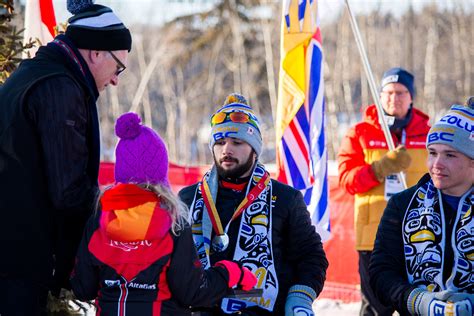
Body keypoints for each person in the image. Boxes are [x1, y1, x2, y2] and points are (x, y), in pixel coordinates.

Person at [0, 1, 132, 315]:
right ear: (96, 53)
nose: (116, 80)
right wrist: (117, 214)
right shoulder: (61, 88)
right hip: (18, 262)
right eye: (119, 67)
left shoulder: (35, 73)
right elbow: (68, 191)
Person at [70, 112, 257, 315]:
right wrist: (229, 272)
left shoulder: (99, 221)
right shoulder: (172, 223)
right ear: (159, 170)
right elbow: (192, 292)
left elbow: (83, 289)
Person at [179, 93, 328, 315]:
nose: (226, 150)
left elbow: (311, 256)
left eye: (237, 142)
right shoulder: (188, 198)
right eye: (219, 142)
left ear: (254, 149)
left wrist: (300, 297)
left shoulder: (285, 198)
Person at [337, 67, 431, 315]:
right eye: (388, 92)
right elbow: (347, 181)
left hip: (421, 237)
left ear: (411, 96)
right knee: (376, 309)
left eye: (401, 93)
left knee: (419, 307)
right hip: (374, 238)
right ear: (379, 96)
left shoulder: (429, 133)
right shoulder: (360, 133)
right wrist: (380, 168)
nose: (394, 98)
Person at [369, 99, 474, 316]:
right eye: (433, 153)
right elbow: (381, 273)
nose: (437, 164)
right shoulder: (402, 204)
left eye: (450, 155)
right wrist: (420, 301)